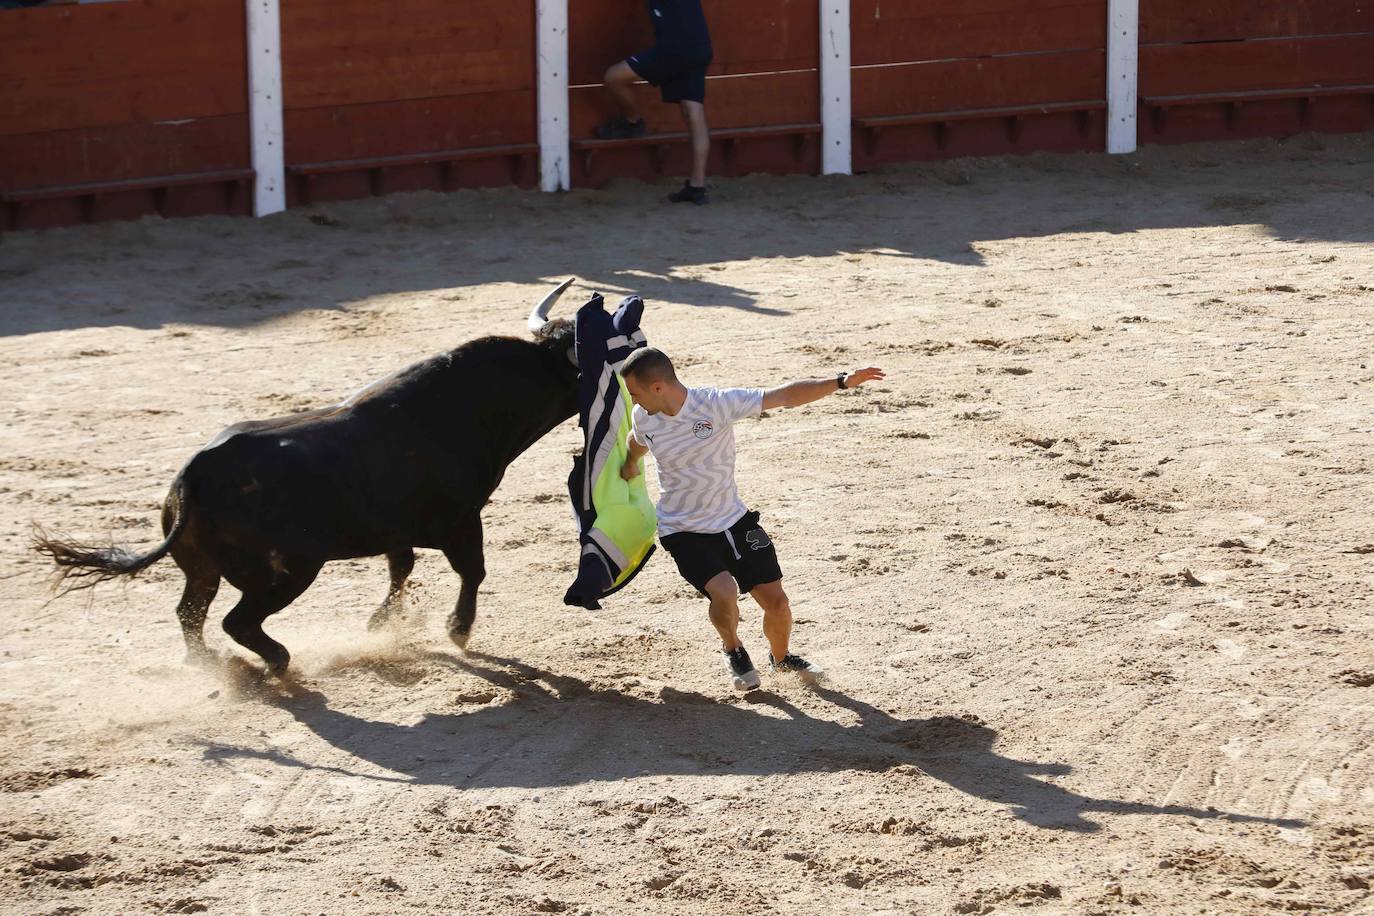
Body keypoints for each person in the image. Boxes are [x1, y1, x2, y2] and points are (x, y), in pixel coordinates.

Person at [619, 347, 885, 690]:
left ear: (657, 387)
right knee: (725, 591)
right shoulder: (645, 415)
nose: (634, 401)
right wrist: (628, 463)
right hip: (682, 528)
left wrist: (841, 382)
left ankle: (781, 657)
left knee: (777, 602)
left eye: (635, 392)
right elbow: (637, 440)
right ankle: (733, 649)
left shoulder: (715, 404)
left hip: (733, 519)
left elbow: (784, 395)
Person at [596, 0, 713, 205]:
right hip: (700, 47)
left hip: (673, 50)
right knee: (693, 112)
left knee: (612, 77)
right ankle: (697, 186)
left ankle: (633, 122)